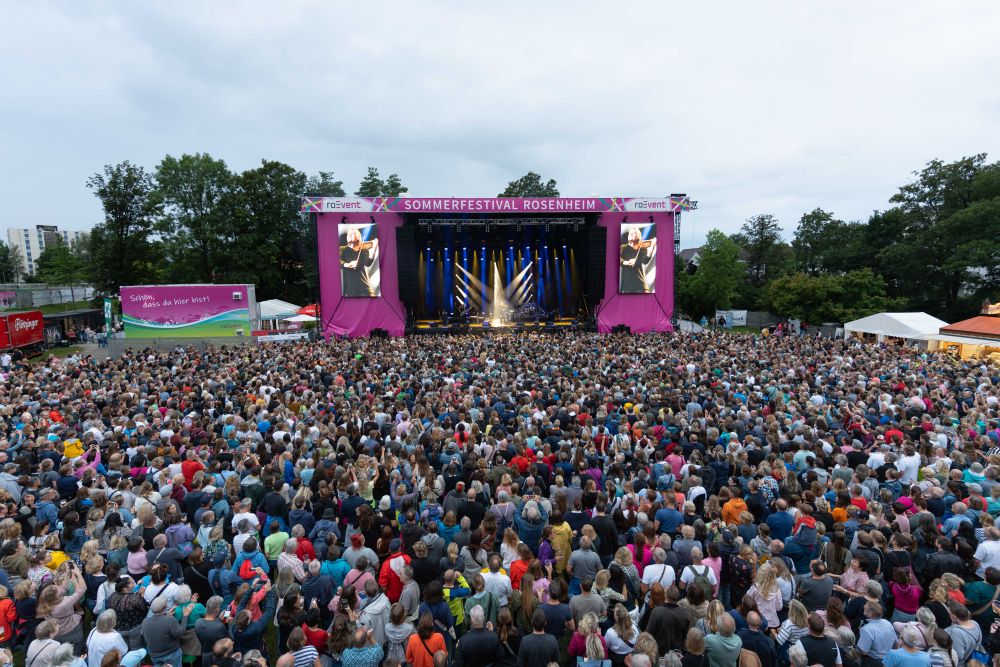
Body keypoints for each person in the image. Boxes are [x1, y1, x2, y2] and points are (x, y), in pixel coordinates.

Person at [141, 596, 188, 667]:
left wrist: (166, 614)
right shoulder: (170, 620)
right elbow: (181, 633)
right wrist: (185, 616)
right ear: (165, 606)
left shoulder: (145, 621)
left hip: (154, 656)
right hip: (171, 655)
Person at [856, 602, 896, 667]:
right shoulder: (887, 623)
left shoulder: (866, 629)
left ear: (870, 614)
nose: (863, 610)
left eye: (865, 609)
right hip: (888, 659)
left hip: (872, 661)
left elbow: (864, 652)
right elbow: (896, 643)